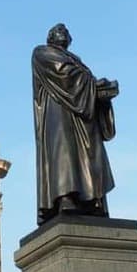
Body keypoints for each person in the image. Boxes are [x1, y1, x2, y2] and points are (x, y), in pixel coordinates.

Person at [32, 23, 119, 225]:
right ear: (50, 37)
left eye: (66, 31)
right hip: (59, 114)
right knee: (65, 156)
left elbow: (81, 80)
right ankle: (65, 198)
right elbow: (64, 74)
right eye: (58, 31)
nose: (62, 33)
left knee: (90, 156)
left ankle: (91, 200)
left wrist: (100, 93)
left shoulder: (75, 59)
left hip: (83, 115)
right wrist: (93, 85)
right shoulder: (42, 52)